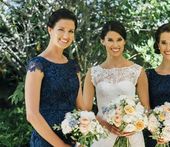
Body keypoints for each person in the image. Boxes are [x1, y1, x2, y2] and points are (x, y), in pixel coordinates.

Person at [82, 21, 150, 147]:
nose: (115, 44)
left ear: (124, 41)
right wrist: (106, 125)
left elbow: (146, 108)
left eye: (119, 39)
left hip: (132, 135)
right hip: (102, 135)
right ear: (103, 41)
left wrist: (135, 126)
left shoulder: (138, 71)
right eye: (110, 40)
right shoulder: (93, 73)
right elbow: (86, 110)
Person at [25, 8, 83, 146]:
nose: (66, 35)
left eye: (71, 31)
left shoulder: (73, 67)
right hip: (45, 141)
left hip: (72, 139)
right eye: (61, 29)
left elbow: (81, 107)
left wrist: (85, 135)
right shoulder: (37, 65)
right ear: (50, 30)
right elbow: (32, 115)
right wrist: (61, 146)